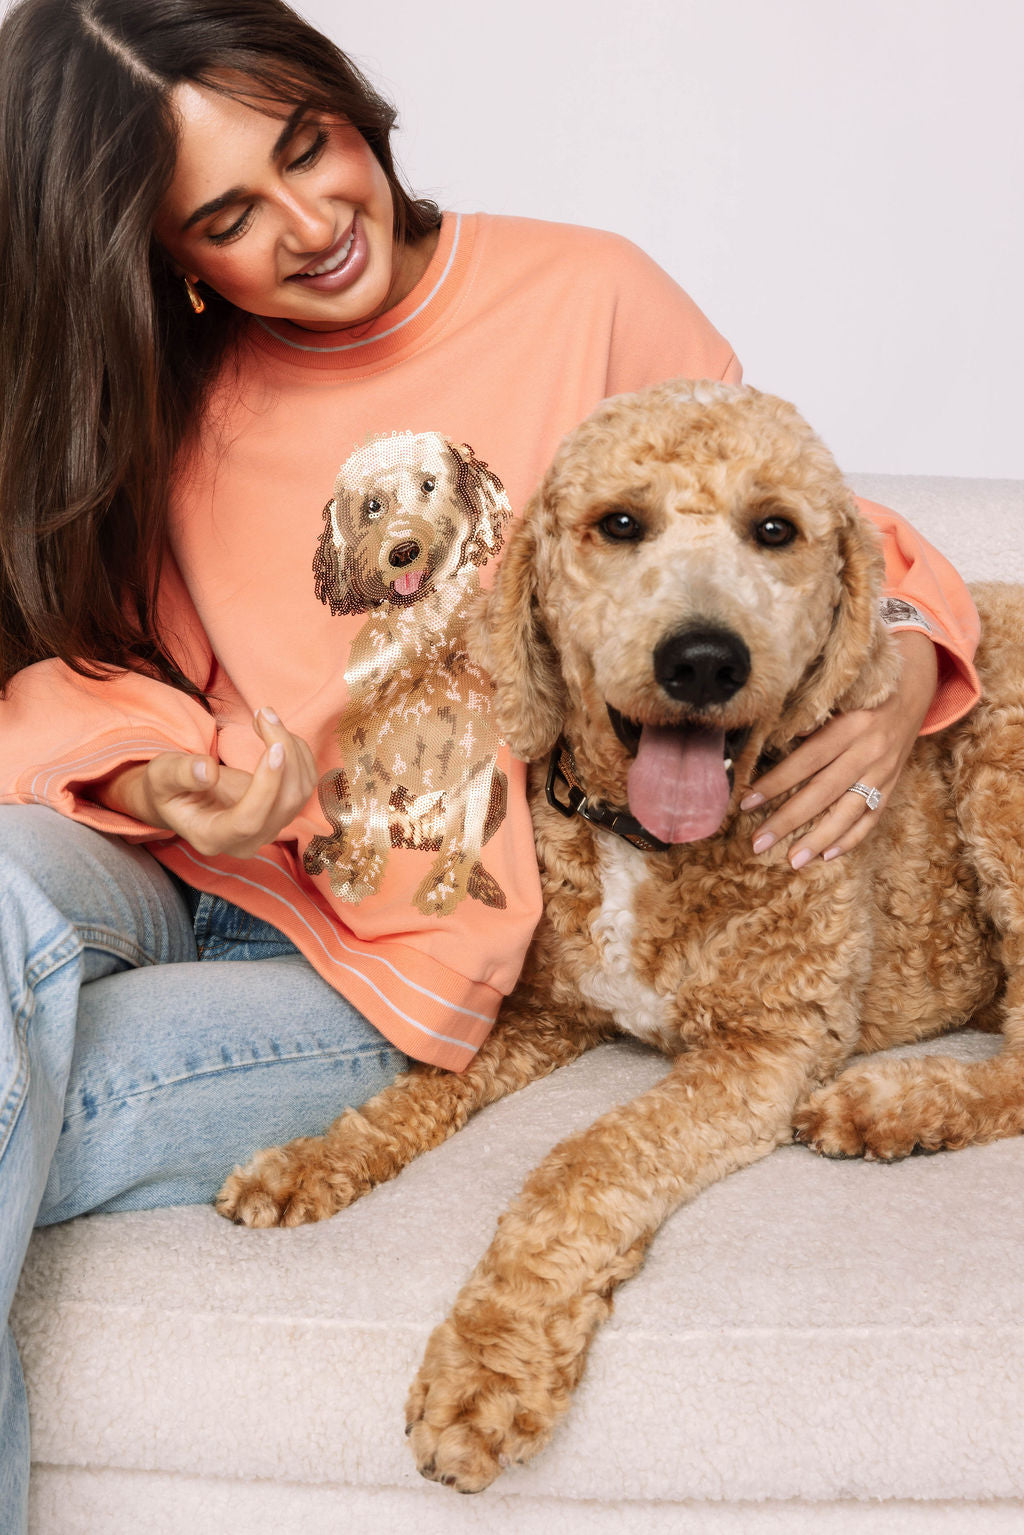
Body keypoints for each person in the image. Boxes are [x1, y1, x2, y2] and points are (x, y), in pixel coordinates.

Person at [0, 0, 980, 1523]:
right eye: (228, 215)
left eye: (310, 147)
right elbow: (75, 665)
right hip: (165, 859)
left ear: (349, 105)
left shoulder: (586, 293)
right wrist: (146, 781)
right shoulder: (161, 389)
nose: (314, 221)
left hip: (380, 945)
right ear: (165, 254)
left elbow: (785, 506)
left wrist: (914, 642)